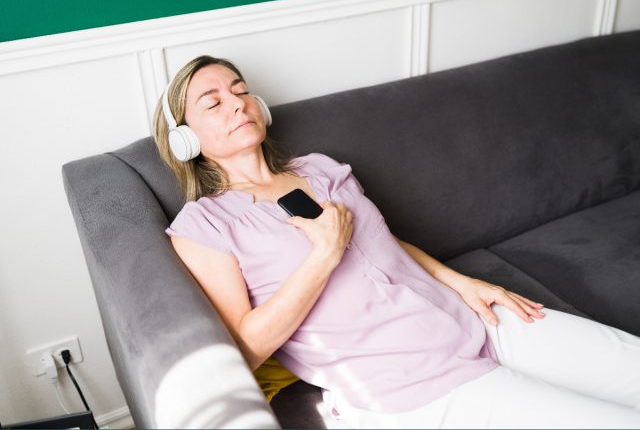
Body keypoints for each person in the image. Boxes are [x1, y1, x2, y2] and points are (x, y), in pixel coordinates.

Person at [152, 55, 640, 429]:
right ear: (183, 140)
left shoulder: (319, 168)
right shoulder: (205, 225)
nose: (237, 103)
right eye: (213, 103)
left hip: (476, 320)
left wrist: (462, 282)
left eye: (240, 91)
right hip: (410, 380)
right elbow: (245, 351)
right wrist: (323, 256)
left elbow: (382, 241)